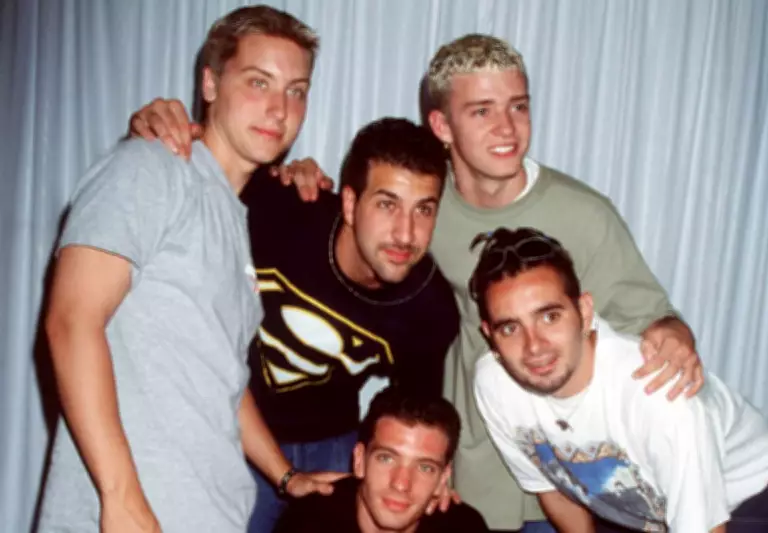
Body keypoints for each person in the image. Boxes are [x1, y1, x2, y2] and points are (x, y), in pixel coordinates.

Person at [126, 33, 703, 532]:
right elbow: (210, 175)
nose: (406, 231)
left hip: (540, 466)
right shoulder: (303, 203)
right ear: (442, 125)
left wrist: (674, 333)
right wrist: (160, 131)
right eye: (481, 110)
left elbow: (649, 313)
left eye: (518, 106)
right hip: (245, 423)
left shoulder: (574, 220)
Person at [37, 6, 339, 532]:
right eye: (258, 82)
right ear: (210, 83)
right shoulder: (151, 168)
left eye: (296, 90)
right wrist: (121, 498)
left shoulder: (235, 215)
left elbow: (223, 378)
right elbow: (71, 321)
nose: (279, 109)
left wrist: (286, 475)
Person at [470, 227, 768, 532]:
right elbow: (553, 490)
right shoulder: (494, 385)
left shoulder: (656, 397)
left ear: (585, 312)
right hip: (639, 503)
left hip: (743, 494)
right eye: (510, 328)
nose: (534, 346)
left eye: (550, 316)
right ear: (489, 335)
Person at [239, 117, 458, 531]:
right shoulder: (279, 211)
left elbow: (413, 416)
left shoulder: (429, 308)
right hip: (235, 426)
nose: (405, 234)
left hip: (334, 444)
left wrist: (432, 476)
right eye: (387, 204)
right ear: (351, 204)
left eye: (423, 210)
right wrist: (159, 128)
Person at [274, 387, 489, 532]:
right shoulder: (308, 522)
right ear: (360, 461)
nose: (401, 484)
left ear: (443, 478)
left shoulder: (463, 527)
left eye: (425, 467)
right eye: (386, 459)